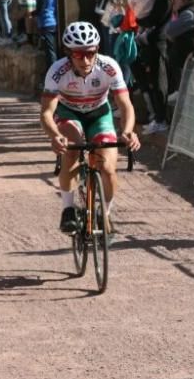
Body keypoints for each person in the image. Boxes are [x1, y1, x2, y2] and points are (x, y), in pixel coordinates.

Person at [40, 21, 142, 234]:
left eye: (90, 53)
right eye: (78, 55)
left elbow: (125, 105)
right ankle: (68, 208)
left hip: (99, 114)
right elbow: (47, 112)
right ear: (69, 54)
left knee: (108, 168)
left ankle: (104, 213)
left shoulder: (108, 66)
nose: (85, 60)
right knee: (71, 150)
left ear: (97, 50)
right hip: (70, 114)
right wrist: (55, 135)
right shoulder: (57, 71)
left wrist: (128, 131)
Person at [133, 0, 173, 135]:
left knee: (158, 82)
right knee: (154, 81)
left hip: (158, 43)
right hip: (154, 42)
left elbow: (155, 20)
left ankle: (160, 119)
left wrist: (138, 19)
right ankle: (157, 117)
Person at [164, 0, 194, 96]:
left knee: (187, 91)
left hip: (185, 58)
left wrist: (175, 10)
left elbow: (169, 31)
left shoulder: (189, 14)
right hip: (190, 56)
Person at [32, 0, 58, 79]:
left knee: (50, 51)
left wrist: (30, 14)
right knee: (49, 49)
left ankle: (53, 74)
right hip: (51, 21)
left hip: (46, 22)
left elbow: (40, 9)